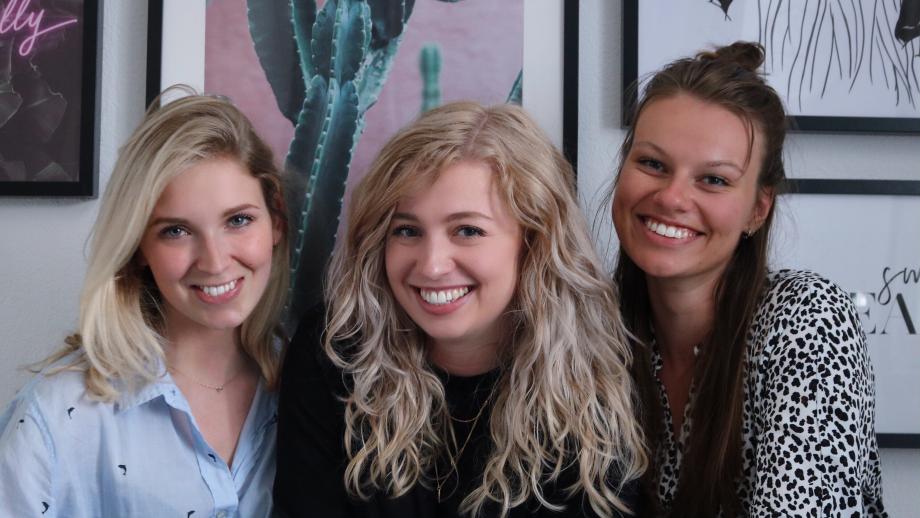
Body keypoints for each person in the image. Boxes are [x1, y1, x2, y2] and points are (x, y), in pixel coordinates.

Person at [274, 101, 647, 517]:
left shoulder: (598, 371)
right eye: (407, 230)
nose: (432, 265)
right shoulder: (334, 352)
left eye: (467, 230)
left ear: (534, 241)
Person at [610, 41, 885, 516]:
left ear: (758, 209)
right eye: (653, 164)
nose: (672, 198)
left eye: (713, 179)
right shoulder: (593, 332)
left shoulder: (808, 320)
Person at [0, 91, 288, 517]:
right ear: (138, 247)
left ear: (276, 222)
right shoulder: (59, 412)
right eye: (176, 231)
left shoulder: (308, 391)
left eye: (238, 220)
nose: (214, 261)